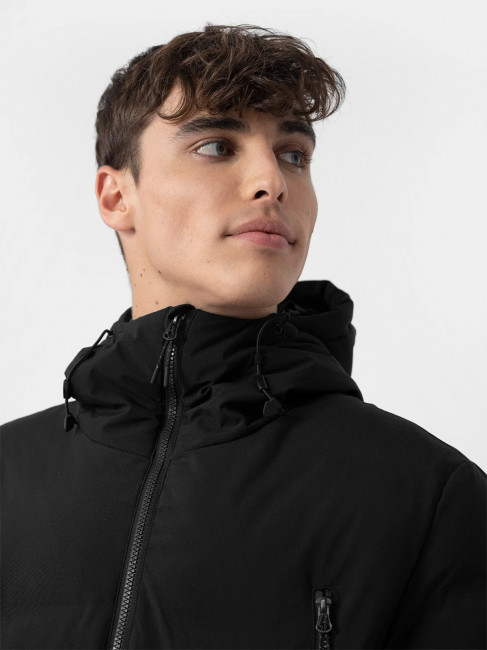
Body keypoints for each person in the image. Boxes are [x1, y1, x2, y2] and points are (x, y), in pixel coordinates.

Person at [1, 23, 485, 650]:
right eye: (216, 146)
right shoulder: (8, 478)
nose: (272, 181)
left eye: (294, 155)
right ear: (117, 195)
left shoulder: (427, 496)